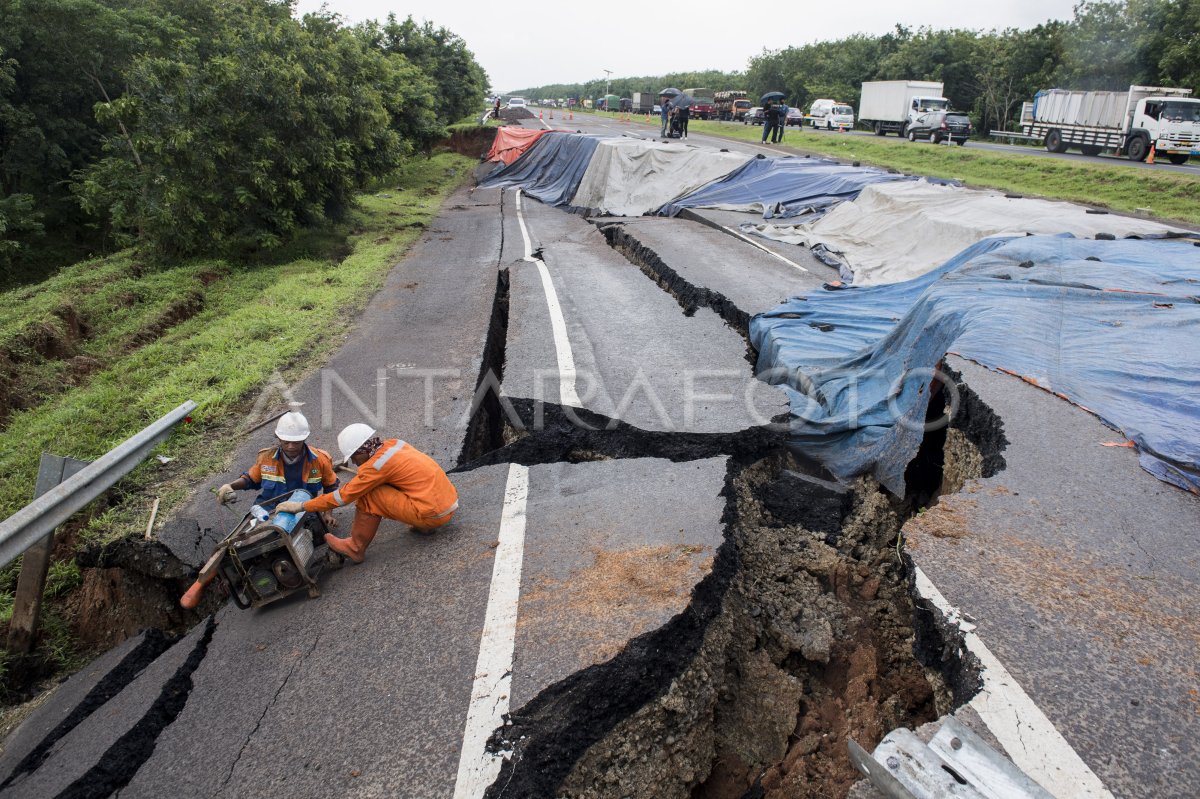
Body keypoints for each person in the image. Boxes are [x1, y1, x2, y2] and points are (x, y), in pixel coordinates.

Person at [276, 423, 459, 564]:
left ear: (362, 451)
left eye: (354, 457)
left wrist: (301, 506)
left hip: (433, 514)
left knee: (368, 494)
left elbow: (342, 497)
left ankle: (355, 547)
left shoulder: (375, 467)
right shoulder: (394, 444)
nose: (355, 463)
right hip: (447, 503)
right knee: (389, 484)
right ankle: (423, 525)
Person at [215, 406, 339, 532]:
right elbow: (250, 480)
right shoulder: (266, 458)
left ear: (304, 439)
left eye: (296, 442)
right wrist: (230, 486)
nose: (290, 446)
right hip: (268, 508)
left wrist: (327, 514)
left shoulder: (320, 460)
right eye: (286, 442)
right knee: (255, 539)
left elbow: (331, 487)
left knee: (316, 533)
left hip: (302, 509)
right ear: (279, 438)